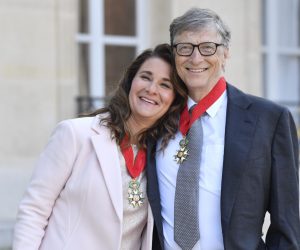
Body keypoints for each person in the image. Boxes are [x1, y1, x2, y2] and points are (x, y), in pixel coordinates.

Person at [147, 8, 300, 250]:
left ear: (226, 53)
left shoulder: (270, 120)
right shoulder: (156, 117)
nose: (195, 58)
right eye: (185, 47)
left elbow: (287, 225)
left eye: (208, 47)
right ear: (174, 54)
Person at [13, 43, 186, 250]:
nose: (151, 89)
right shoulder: (75, 134)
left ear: (174, 99)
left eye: (165, 85)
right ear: (131, 81)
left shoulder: (162, 155)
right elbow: (33, 210)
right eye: (146, 77)